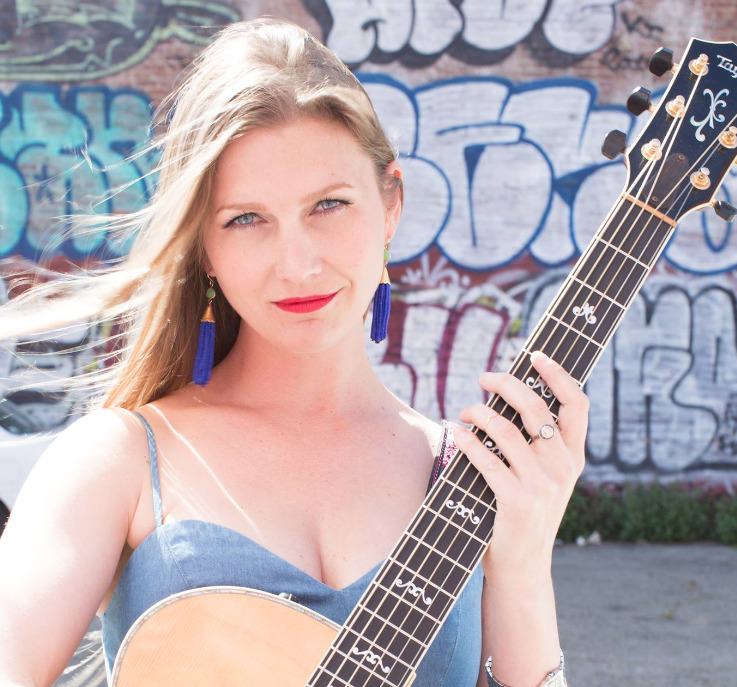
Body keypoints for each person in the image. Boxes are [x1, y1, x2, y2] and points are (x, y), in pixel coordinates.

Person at [0, 18, 587, 687]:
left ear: (390, 206)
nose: (297, 263)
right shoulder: (120, 460)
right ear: (204, 246)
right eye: (246, 219)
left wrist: (524, 559)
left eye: (328, 205)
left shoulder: (467, 477)